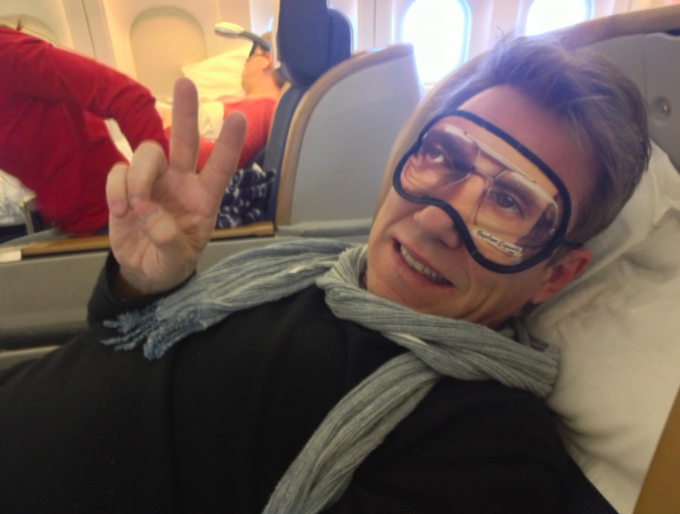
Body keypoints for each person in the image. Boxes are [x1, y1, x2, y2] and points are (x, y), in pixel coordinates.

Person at [0, 35, 650, 513]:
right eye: (445, 156)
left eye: (508, 202)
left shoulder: (486, 443)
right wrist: (141, 285)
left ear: (556, 275)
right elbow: (117, 348)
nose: (436, 219)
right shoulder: (303, 267)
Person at [0, 24, 169, 237]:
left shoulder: (8, 54)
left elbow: (128, 96)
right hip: (71, 228)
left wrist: (163, 188)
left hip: (115, 220)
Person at [164, 32, 284, 172]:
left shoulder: (264, 107)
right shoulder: (259, 106)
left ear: (266, 60)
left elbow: (220, 162)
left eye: (252, 55)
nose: (245, 63)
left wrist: (170, 131)